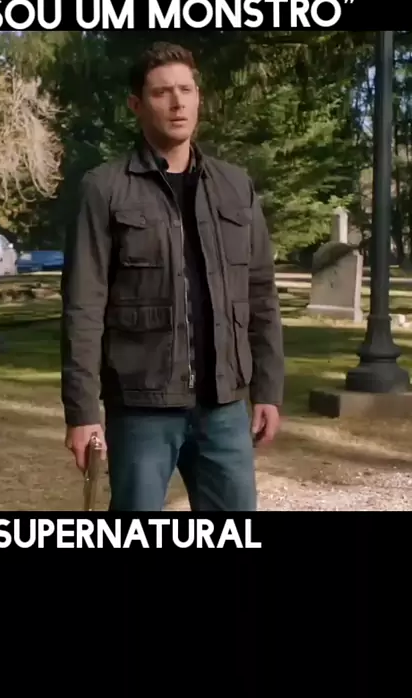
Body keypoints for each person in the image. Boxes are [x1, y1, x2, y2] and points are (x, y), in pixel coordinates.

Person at [60, 41, 284, 511]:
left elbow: (261, 293)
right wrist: (82, 411)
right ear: (137, 105)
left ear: (199, 97)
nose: (178, 103)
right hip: (141, 408)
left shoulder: (235, 186)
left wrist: (268, 389)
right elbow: (83, 305)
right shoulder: (104, 188)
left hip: (223, 407)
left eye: (186, 90)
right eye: (162, 92)